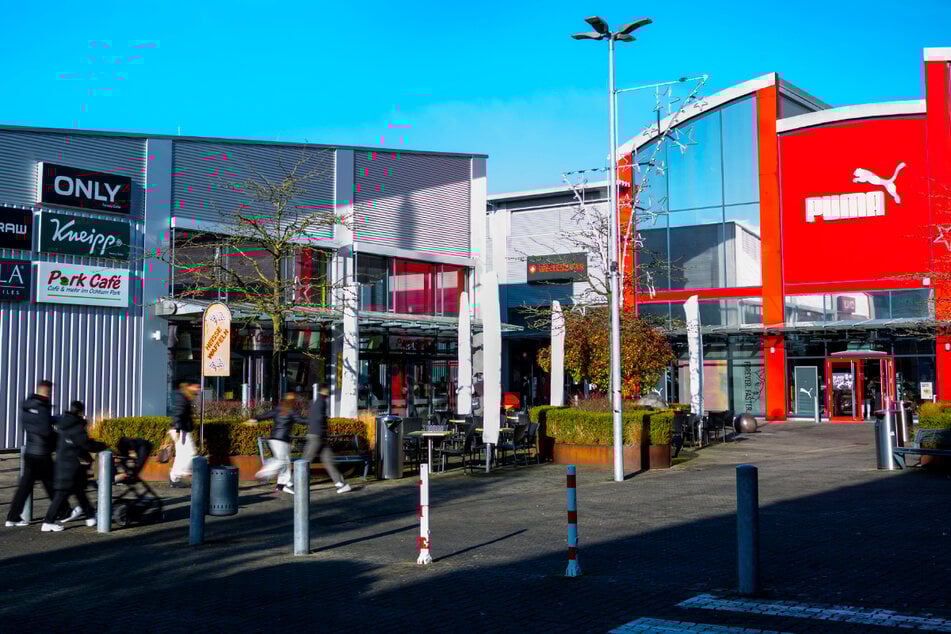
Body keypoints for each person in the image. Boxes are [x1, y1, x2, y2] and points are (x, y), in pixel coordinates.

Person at [43, 401, 108, 532]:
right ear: (81, 412)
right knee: (61, 494)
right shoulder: (76, 426)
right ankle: (48, 522)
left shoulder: (63, 423)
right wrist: (103, 445)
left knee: (79, 491)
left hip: (63, 462)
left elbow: (75, 444)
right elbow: (85, 445)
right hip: (70, 466)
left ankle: (90, 517)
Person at [6, 380, 58, 528]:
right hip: (41, 453)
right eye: (51, 391)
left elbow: (33, 425)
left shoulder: (28, 406)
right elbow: (45, 431)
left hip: (30, 451)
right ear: (46, 391)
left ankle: (12, 517)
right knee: (54, 484)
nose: (52, 394)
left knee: (25, 487)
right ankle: (59, 513)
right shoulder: (42, 407)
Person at [244, 392, 305, 495]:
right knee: (281, 461)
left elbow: (266, 415)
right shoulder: (291, 411)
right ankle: (263, 473)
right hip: (281, 440)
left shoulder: (279, 409)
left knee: (286, 463)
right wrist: (313, 421)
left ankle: (281, 486)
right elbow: (300, 420)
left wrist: (255, 419)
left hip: (276, 439)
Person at [303, 385, 351, 494]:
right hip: (317, 436)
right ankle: (291, 483)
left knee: (328, 460)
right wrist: (325, 422)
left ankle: (339, 484)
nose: (329, 392)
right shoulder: (321, 402)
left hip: (319, 436)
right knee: (306, 461)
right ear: (323, 391)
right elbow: (319, 418)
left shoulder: (317, 402)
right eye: (327, 390)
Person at [168, 379, 200, 488]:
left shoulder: (185, 396)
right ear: (188, 386)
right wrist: (177, 430)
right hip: (180, 430)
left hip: (182, 429)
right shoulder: (181, 397)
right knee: (191, 452)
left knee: (181, 455)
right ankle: (182, 473)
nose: (198, 389)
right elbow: (178, 413)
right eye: (196, 386)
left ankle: (174, 478)